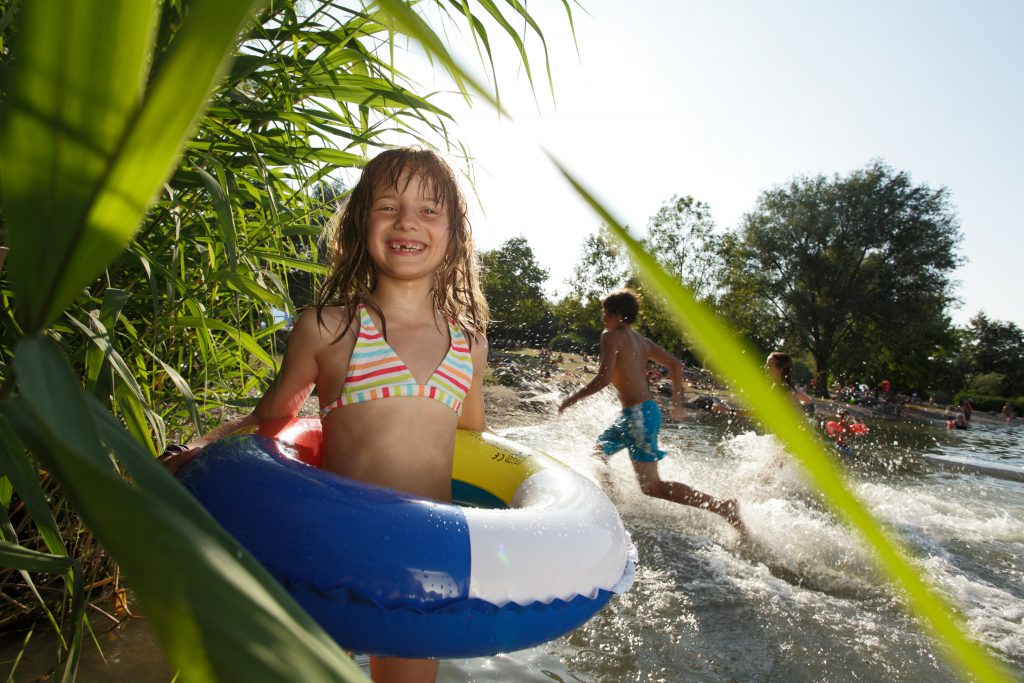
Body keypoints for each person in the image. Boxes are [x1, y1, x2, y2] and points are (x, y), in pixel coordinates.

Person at [160, 147, 490, 683]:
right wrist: (198, 449)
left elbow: (472, 439)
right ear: (360, 224)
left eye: (430, 210)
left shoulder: (468, 343)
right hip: (331, 553)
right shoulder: (329, 328)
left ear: (454, 234)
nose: (408, 221)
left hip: (421, 567)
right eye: (388, 207)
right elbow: (269, 419)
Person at [557, 289, 745, 536]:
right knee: (598, 452)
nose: (602, 317)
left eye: (605, 311)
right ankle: (614, 508)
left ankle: (722, 506)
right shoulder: (642, 342)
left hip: (638, 416)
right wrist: (677, 402)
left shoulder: (611, 336)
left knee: (651, 487)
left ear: (618, 315)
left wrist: (572, 399)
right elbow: (676, 365)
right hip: (638, 414)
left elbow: (603, 378)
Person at [710, 351, 814, 417]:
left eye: (769, 365)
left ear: (780, 370)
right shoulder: (789, 387)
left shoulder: (780, 388)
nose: (765, 367)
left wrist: (729, 410)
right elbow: (808, 401)